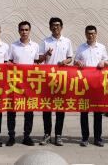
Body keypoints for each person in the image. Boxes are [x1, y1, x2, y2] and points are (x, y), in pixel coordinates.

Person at [39, 16, 73, 146]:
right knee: (47, 108)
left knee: (60, 107)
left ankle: (58, 135)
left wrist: (65, 61)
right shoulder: (45, 41)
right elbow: (39, 60)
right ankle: (47, 134)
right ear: (50, 27)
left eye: (58, 25)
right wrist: (46, 54)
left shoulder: (67, 41)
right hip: (48, 79)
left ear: (61, 27)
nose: (55, 27)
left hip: (61, 79)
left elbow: (70, 57)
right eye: (53, 25)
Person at [74, 25, 108, 147]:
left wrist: (103, 62)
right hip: (84, 85)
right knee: (84, 112)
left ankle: (98, 138)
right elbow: (75, 62)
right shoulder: (81, 48)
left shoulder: (102, 47)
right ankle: (85, 138)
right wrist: (78, 62)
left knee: (98, 112)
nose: (91, 35)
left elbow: (107, 62)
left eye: (93, 33)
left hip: (98, 85)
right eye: (88, 33)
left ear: (96, 34)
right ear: (85, 34)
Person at [7, 21, 40, 146]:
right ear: (18, 31)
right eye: (22, 30)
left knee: (29, 110)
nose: (24, 32)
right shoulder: (13, 46)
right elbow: (8, 62)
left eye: (26, 30)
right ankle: (11, 136)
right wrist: (12, 65)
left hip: (29, 83)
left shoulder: (35, 46)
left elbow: (36, 62)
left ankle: (27, 136)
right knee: (12, 110)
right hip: (15, 83)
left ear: (29, 31)